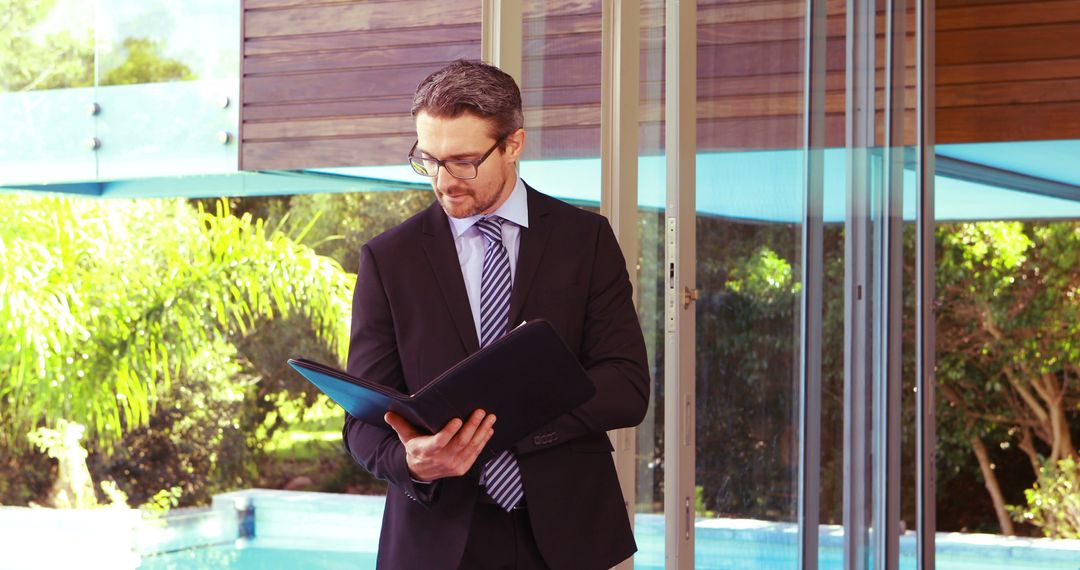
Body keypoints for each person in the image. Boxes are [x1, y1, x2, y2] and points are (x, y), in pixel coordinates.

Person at [343, 59, 650, 570]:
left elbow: (626, 385)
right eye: (429, 160)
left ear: (513, 145)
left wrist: (499, 430)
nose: (444, 182)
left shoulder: (585, 241)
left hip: (575, 534)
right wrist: (413, 462)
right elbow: (362, 422)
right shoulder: (387, 259)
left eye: (463, 161)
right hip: (433, 540)